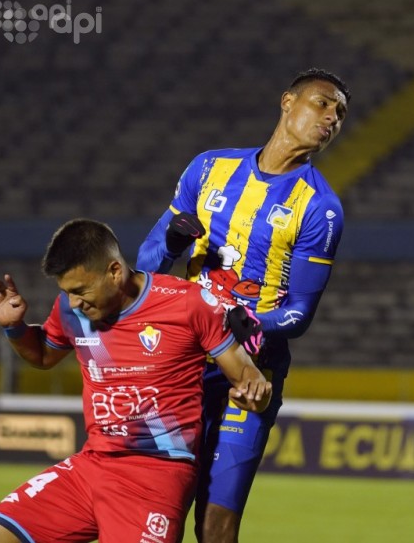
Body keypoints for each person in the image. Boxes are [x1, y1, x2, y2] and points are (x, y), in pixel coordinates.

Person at [136, 67, 350, 542]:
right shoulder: (209, 168)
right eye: (323, 103)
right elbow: (147, 264)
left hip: (251, 376)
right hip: (182, 366)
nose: (332, 117)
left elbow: (299, 313)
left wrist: (248, 322)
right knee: (158, 514)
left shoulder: (320, 207)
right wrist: (173, 239)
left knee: (216, 526)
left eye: (340, 113)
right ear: (287, 102)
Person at [0, 218, 272, 543]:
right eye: (66, 292)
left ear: (114, 271)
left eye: (80, 291)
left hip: (155, 476)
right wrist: (15, 328)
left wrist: (255, 393)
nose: (74, 303)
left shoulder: (188, 303)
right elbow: (43, 356)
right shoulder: (72, 312)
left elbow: (248, 377)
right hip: (91, 466)